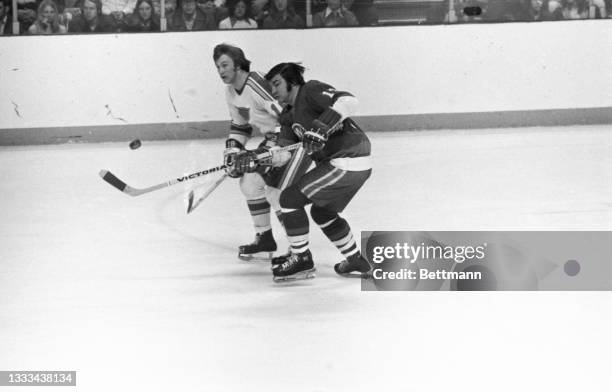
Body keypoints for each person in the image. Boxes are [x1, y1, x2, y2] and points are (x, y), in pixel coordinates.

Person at [258, 62, 372, 281]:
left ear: (292, 82)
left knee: (289, 199)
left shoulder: (310, 91)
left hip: (347, 158)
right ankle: (356, 260)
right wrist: (256, 159)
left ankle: (301, 259)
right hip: (349, 165)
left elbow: (349, 101)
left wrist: (321, 126)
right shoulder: (288, 116)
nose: (273, 90)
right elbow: (282, 154)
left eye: (277, 83)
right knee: (322, 212)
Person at [213, 44, 311, 262]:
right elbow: (240, 126)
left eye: (225, 65)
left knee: (276, 193)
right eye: (217, 66)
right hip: (274, 142)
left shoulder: (257, 83)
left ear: (238, 65)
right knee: (249, 184)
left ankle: (298, 250)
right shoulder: (230, 92)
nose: (220, 70)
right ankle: (265, 238)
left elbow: (288, 114)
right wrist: (233, 151)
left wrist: (269, 149)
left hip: (293, 141)